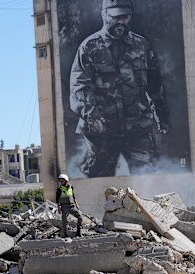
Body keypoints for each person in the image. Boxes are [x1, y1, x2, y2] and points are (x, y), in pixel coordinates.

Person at [69, 0, 170, 177]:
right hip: (102, 131)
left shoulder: (142, 45)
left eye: (125, 16)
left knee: (147, 177)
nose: (121, 21)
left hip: (137, 127)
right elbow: (79, 85)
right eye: (115, 17)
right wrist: (92, 116)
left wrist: (161, 114)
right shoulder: (90, 47)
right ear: (104, 15)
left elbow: (154, 84)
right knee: (100, 178)